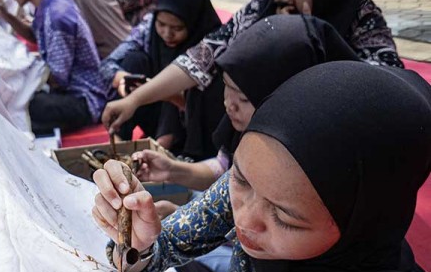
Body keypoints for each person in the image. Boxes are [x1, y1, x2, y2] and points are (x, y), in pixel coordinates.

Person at [93, 61, 431, 272]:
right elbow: (164, 246)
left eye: (285, 218)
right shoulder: (264, 178)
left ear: (363, 224)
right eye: (238, 179)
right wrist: (137, 244)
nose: (245, 222)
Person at [102, 0, 405, 135]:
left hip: (323, 140)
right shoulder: (263, 6)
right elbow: (203, 56)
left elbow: (387, 95)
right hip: (253, 132)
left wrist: (311, 35)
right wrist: (134, 100)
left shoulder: (362, 20)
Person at [134, 14, 360, 199]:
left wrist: (192, 226)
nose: (228, 105)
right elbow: (225, 172)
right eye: (225, 86)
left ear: (287, 95)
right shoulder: (248, 128)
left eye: (243, 98)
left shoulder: (313, 165)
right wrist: (172, 170)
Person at [0, 0, 109, 133]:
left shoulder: (57, 15)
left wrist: (16, 74)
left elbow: (57, 77)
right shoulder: (51, 1)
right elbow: (36, 36)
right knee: (14, 94)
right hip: (71, 91)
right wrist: (4, 13)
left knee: (25, 104)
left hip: (83, 99)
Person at [100, 0, 223, 158]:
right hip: (151, 109)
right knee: (134, 60)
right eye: (162, 25)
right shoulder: (148, 28)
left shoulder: (212, 44)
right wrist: (125, 80)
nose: (167, 34)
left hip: (190, 126)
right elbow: (107, 66)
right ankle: (119, 139)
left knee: (176, 79)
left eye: (177, 28)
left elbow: (208, 107)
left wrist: (162, 91)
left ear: (194, 22)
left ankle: (163, 146)